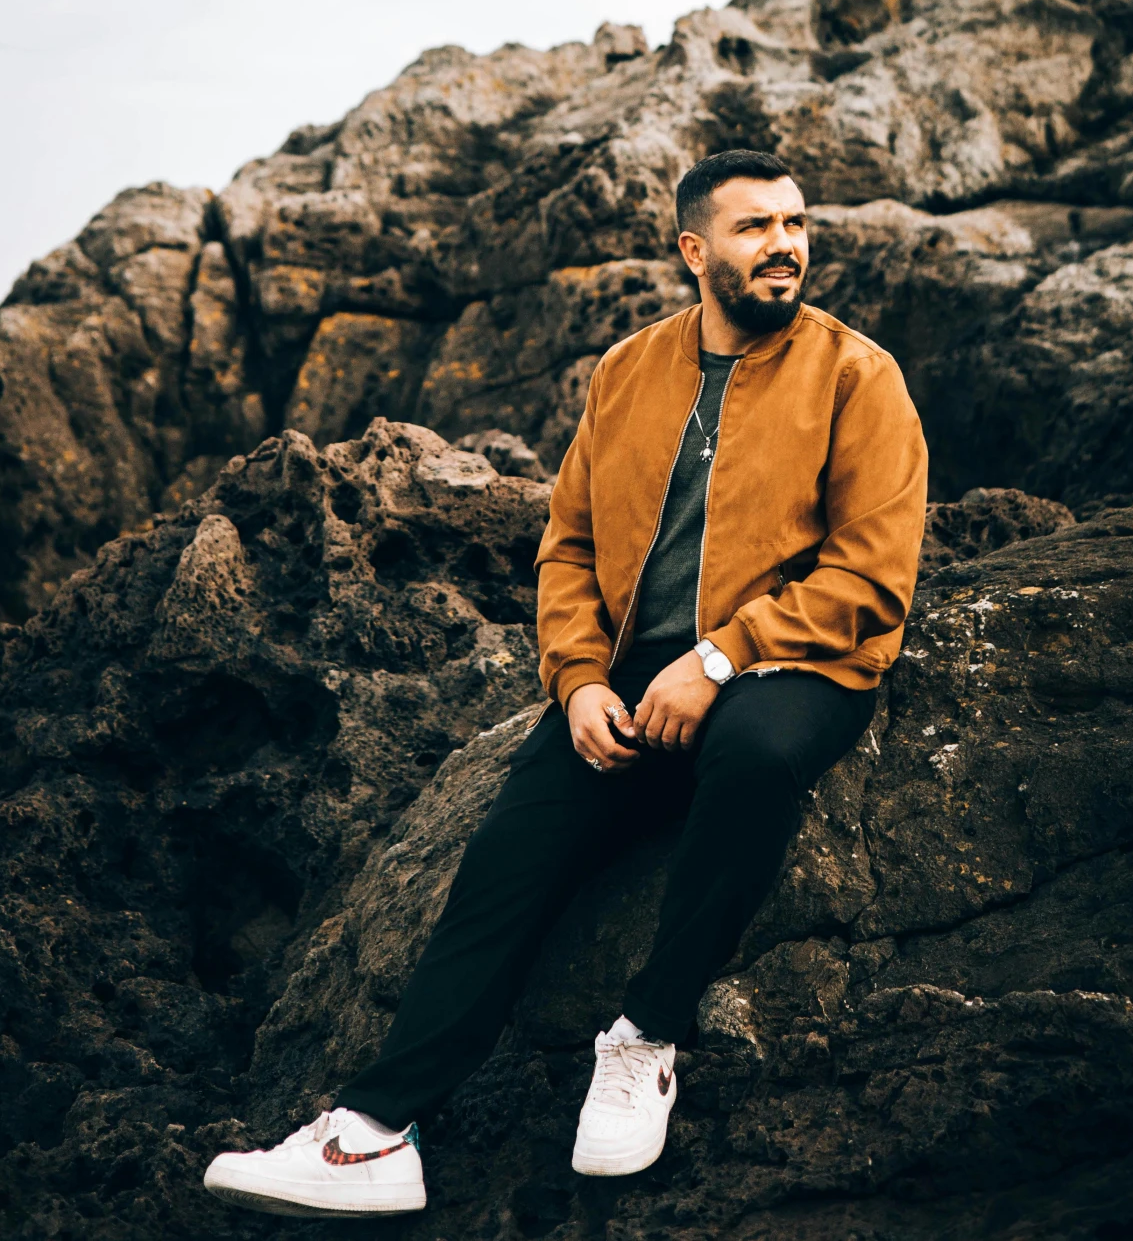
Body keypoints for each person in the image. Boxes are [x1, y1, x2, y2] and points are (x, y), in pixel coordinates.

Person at [204, 147, 928, 1218]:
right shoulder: (629, 370)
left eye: (795, 223)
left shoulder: (857, 375)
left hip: (794, 660)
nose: (785, 245)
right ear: (694, 250)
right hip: (633, 676)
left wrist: (718, 656)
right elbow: (568, 545)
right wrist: (581, 681)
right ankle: (372, 1131)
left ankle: (644, 1036)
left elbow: (873, 568)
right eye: (754, 227)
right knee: (510, 847)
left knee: (757, 754)